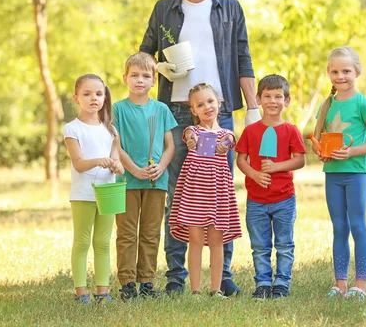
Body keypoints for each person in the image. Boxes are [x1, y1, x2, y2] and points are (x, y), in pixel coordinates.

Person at [139, 0, 261, 296]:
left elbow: (244, 60)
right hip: (176, 112)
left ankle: (221, 277)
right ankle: (176, 277)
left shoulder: (230, 7)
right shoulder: (164, 8)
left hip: (219, 113)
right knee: (179, 193)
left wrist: (252, 109)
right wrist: (162, 68)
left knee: (221, 194)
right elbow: (144, 56)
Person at [310, 46, 366, 300]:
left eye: (346, 71)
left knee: (357, 225)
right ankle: (340, 284)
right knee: (339, 227)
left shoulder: (363, 102)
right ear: (329, 74)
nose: (340, 76)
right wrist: (320, 151)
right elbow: (318, 138)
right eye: (334, 71)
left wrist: (352, 153)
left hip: (356, 173)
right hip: (332, 173)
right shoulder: (327, 103)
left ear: (357, 72)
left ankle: (360, 284)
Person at [112, 53, 177, 300]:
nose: (140, 80)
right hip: (127, 181)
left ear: (154, 81)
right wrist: (133, 169)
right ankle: (127, 283)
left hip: (156, 181)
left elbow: (170, 145)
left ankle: (147, 282)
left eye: (146, 76)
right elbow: (116, 146)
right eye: (135, 75)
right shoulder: (117, 109)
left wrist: (160, 166)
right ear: (125, 79)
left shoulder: (161, 109)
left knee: (151, 232)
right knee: (127, 232)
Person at [235, 75, 306, 300]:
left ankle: (282, 283)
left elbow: (300, 160)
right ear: (258, 99)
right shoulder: (251, 131)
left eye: (278, 96)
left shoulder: (291, 131)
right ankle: (263, 283)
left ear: (287, 101)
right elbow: (241, 160)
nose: (272, 101)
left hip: (284, 198)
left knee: (284, 244)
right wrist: (254, 174)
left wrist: (276, 167)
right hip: (256, 200)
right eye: (267, 96)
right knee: (260, 246)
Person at [168, 83, 242, 297]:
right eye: (200, 105)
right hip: (195, 195)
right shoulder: (193, 132)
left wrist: (224, 146)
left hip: (218, 195)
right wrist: (192, 141)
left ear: (218, 103)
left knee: (217, 242)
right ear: (193, 111)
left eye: (210, 101)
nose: (207, 107)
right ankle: (196, 290)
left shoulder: (226, 134)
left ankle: (216, 289)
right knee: (196, 241)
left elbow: (230, 140)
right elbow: (189, 136)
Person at [62, 74, 124, 305]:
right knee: (82, 241)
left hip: (107, 194)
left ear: (105, 96)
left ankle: (103, 291)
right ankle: (81, 293)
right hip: (83, 194)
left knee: (103, 241)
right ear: (76, 98)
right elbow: (78, 163)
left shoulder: (111, 131)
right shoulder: (72, 129)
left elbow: (116, 161)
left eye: (98, 94)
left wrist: (117, 165)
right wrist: (99, 160)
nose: (93, 98)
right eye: (87, 94)